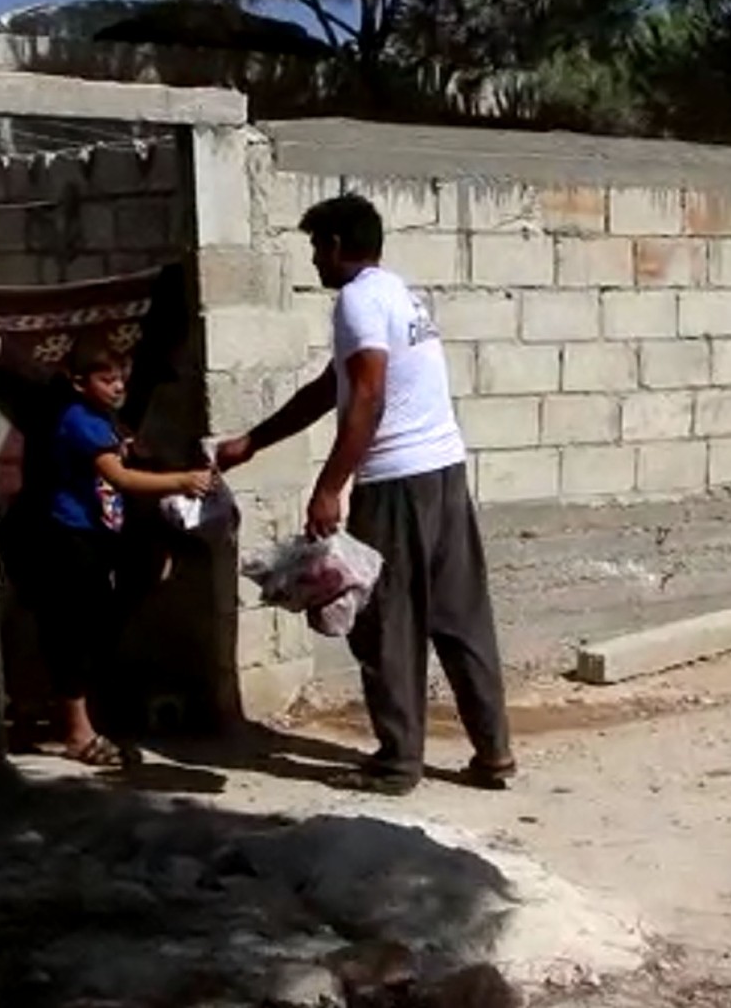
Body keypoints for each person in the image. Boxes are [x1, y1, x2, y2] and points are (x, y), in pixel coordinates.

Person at [215, 193, 515, 796]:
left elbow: (369, 396)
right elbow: (334, 388)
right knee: (461, 618)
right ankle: (494, 754)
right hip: (444, 472)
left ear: (334, 246)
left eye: (314, 248)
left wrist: (329, 488)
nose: (312, 261)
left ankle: (399, 763)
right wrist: (252, 442)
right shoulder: (397, 294)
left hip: (397, 483)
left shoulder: (356, 300)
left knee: (385, 623)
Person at [35, 335, 213, 767]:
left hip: (98, 533)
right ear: (79, 383)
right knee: (77, 632)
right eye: (106, 379)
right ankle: (77, 733)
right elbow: (120, 479)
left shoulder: (103, 419)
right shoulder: (80, 421)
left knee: (98, 626)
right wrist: (182, 481)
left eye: (121, 379)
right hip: (73, 536)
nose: (117, 387)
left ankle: (85, 716)